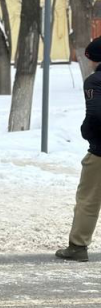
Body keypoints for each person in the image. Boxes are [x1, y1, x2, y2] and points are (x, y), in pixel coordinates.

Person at [56, 36, 101, 262]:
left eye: (92, 59)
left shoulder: (95, 81)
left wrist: (88, 134)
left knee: (89, 200)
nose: (90, 64)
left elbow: (95, 116)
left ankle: (77, 247)